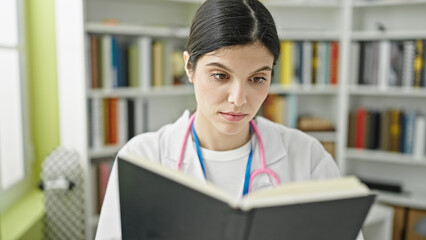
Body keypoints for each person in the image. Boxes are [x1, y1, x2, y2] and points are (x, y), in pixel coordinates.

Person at [95, 0, 363, 239]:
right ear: (189, 67)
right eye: (221, 76)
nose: (238, 98)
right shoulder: (142, 158)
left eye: (257, 78)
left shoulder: (308, 159)